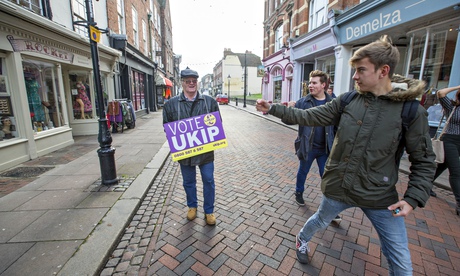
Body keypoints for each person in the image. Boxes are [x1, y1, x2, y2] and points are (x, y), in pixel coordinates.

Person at [255, 35, 436, 274]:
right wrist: (274, 109)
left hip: (380, 197)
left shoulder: (412, 111)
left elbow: (424, 160)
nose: (354, 76)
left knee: (402, 264)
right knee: (319, 219)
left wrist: (413, 198)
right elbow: (310, 116)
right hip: (339, 187)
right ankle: (301, 238)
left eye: (361, 70)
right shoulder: (348, 100)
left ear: (383, 71)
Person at [162, 67, 220, 225]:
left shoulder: (210, 102)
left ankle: (209, 211)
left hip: (206, 152)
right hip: (185, 152)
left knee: (208, 180)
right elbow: (167, 126)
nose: (191, 84)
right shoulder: (171, 105)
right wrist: (177, 140)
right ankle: (192, 207)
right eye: (188, 81)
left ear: (198, 83)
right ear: (182, 83)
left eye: (194, 81)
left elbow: (217, 124)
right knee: (188, 182)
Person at [431, 85, 460, 215]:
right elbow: (441, 93)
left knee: (442, 166)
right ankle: (459, 203)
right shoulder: (452, 107)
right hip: (450, 141)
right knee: (456, 171)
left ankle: (425, 185)